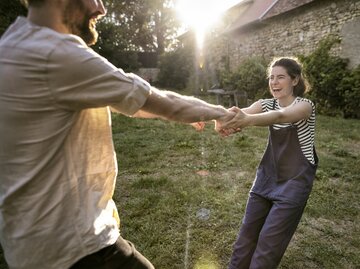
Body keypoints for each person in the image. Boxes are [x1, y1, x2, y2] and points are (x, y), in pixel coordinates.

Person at [0, 0, 236, 268]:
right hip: (73, 246)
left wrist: (188, 113)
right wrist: (221, 112)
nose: (102, 8)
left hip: (26, 244)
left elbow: (131, 103)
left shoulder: (11, 45)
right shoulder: (55, 53)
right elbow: (163, 102)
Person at [220, 57, 318, 269]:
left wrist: (246, 121)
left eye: (280, 77)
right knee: (244, 240)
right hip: (266, 178)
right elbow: (238, 113)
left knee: (267, 247)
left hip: (294, 183)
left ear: (294, 80)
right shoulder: (266, 103)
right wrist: (211, 116)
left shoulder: (305, 106)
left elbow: (281, 116)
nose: (274, 82)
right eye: (271, 78)